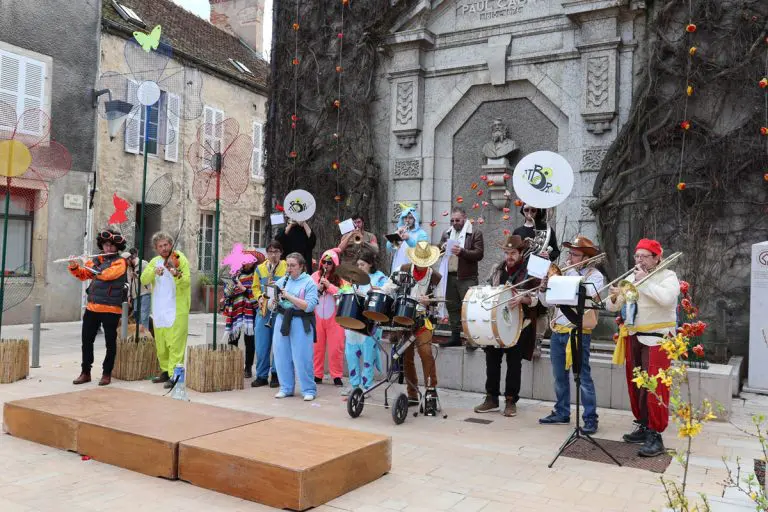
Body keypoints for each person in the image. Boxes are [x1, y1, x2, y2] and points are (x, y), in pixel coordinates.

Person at [606, 238, 679, 457]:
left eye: (644, 257)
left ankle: (656, 435)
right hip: (634, 336)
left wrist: (643, 281)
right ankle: (644, 425)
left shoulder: (668, 276)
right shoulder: (632, 277)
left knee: (656, 387)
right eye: (637, 256)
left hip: (658, 339)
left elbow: (667, 300)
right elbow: (612, 307)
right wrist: (613, 296)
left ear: (657, 258)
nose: (639, 260)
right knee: (637, 385)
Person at [538, 235, 605, 434]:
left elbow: (584, 299)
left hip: (578, 332)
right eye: (570, 253)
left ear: (586, 258)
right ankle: (562, 412)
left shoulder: (595, 276)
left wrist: (568, 275)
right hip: (558, 331)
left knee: (583, 377)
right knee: (559, 376)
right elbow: (547, 302)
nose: (570, 258)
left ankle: (590, 418)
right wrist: (544, 288)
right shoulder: (563, 273)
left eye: (575, 255)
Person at [474, 235, 540, 417]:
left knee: (514, 364)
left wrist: (522, 299)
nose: (509, 257)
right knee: (491, 360)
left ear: (520, 253)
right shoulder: (497, 269)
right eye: (507, 253)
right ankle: (491, 398)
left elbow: (538, 299)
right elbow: (488, 289)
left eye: (513, 253)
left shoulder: (530, 272)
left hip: (519, 325)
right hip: (496, 323)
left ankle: (511, 401)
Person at [381, 240, 441, 405]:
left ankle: (431, 393)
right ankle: (412, 394)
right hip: (403, 318)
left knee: (426, 353)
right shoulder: (402, 270)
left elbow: (438, 300)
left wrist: (430, 301)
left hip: (423, 321)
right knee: (406, 357)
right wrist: (379, 291)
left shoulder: (435, 277)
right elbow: (388, 287)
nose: (422, 265)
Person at [69, 229, 128, 386]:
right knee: (86, 341)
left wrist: (87, 263)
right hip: (92, 307)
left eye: (111, 245)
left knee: (110, 343)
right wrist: (75, 266)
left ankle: (106, 373)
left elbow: (105, 274)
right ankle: (85, 372)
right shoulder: (99, 260)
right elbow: (84, 275)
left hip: (111, 309)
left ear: (117, 247)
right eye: (105, 245)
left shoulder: (120, 262)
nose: (108, 248)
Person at [140, 231, 191, 389]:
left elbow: (186, 281)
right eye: (160, 246)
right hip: (159, 309)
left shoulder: (179, 258)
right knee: (161, 344)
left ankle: (175, 375)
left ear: (171, 244)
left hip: (176, 309)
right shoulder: (154, 262)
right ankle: (165, 371)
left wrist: (176, 273)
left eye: (166, 244)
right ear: (156, 248)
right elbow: (143, 279)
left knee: (176, 344)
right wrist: (153, 271)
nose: (164, 248)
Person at [271, 252, 319, 401]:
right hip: (282, 319)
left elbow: (309, 306)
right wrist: (272, 302)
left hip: (300, 320)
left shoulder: (309, 282)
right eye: (288, 265)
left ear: (301, 267)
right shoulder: (281, 281)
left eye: (293, 265)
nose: (289, 268)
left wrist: (289, 296)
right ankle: (286, 388)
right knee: (281, 355)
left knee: (302, 357)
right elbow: (272, 303)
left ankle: (309, 389)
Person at [438, 207, 484, 349]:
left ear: (464, 218)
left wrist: (462, 252)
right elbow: (438, 250)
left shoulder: (475, 232)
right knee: (452, 307)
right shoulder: (447, 233)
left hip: (467, 277)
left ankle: (473, 339)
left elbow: (479, 254)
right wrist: (442, 247)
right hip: (450, 275)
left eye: (457, 220)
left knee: (470, 309)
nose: (454, 223)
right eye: (452, 220)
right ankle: (455, 337)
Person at [341, 250, 386, 396]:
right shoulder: (355, 278)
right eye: (358, 264)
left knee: (368, 356)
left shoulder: (380, 278)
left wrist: (376, 291)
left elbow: (385, 295)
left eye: (362, 264)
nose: (359, 267)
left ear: (370, 264)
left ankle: (367, 386)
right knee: (351, 354)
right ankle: (354, 385)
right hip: (353, 321)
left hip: (370, 322)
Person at [223, 246, 265, 379]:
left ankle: (248, 368)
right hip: (236, 309)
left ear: (254, 261)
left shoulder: (256, 275)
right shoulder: (235, 274)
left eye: (250, 260)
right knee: (233, 338)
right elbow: (228, 290)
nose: (247, 262)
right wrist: (228, 293)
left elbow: (256, 293)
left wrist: (244, 289)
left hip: (250, 310)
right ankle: (232, 366)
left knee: (249, 340)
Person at [252, 241, 286, 388]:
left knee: (279, 345)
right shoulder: (260, 268)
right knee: (261, 345)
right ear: (267, 253)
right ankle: (261, 375)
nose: (273, 255)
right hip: (264, 311)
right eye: (271, 252)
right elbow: (255, 287)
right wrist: (259, 297)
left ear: (281, 253)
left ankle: (276, 375)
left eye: (276, 251)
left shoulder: (286, 267)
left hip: (279, 310)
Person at [311, 248, 347, 386]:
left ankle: (336, 375)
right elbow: (307, 294)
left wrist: (330, 286)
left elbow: (345, 294)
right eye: (324, 262)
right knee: (317, 347)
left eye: (330, 262)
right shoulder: (315, 276)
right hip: (317, 318)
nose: (326, 265)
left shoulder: (341, 278)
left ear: (335, 264)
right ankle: (317, 374)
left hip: (335, 319)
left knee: (336, 348)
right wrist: (318, 288)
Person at [386, 206, 428, 274]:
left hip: (412, 267)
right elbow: (389, 248)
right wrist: (395, 235)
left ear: (415, 219)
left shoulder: (422, 233)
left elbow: (421, 250)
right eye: (405, 218)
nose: (407, 220)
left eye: (410, 218)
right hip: (398, 265)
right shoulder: (401, 231)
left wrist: (408, 239)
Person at [126, 247, 151, 330]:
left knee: (144, 316)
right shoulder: (129, 268)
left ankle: (145, 335)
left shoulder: (143, 264)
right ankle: (139, 334)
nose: (126, 263)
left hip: (145, 292)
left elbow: (148, 278)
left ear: (130, 258)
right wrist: (129, 296)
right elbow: (130, 283)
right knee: (137, 316)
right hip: (135, 295)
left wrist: (137, 276)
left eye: (126, 261)